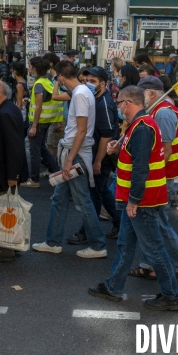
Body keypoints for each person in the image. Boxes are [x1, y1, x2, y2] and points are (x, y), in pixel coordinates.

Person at [88, 85, 178, 310]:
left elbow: (141, 167)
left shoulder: (141, 127)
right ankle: (113, 286)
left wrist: (134, 200)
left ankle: (171, 295)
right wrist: (116, 148)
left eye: (118, 103)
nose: (117, 107)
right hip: (141, 197)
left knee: (154, 248)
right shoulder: (141, 124)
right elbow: (134, 155)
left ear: (127, 104)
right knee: (125, 242)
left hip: (143, 199)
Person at [32, 60, 107, 258]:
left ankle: (98, 245)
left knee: (82, 202)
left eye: (57, 77)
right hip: (76, 152)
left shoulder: (80, 94)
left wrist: (69, 159)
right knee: (60, 199)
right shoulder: (82, 92)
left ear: (61, 77)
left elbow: (81, 130)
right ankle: (53, 241)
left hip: (76, 154)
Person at [137, 76, 178, 284]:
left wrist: (150, 174)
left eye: (141, 93)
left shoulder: (162, 113)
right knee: (150, 223)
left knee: (160, 225)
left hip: (165, 177)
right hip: (163, 176)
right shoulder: (157, 110)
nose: (138, 98)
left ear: (152, 93)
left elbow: (167, 150)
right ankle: (149, 265)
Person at [68, 66, 121, 244]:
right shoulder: (94, 98)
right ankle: (119, 221)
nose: (88, 84)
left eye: (93, 81)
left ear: (103, 84)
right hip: (95, 154)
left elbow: (107, 135)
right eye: (86, 80)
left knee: (94, 195)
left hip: (102, 156)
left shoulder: (104, 104)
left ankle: (87, 232)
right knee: (102, 190)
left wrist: (98, 161)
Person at [0, 80, 28, 262]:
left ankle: (5, 250)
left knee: (2, 210)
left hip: (4, 172)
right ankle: (11, 246)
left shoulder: (5, 113)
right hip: (6, 170)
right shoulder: (8, 109)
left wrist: (12, 176)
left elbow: (13, 146)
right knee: (9, 209)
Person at [21, 57, 63, 188]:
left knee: (35, 151)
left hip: (38, 123)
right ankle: (56, 170)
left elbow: (39, 106)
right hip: (47, 121)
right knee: (42, 148)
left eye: (29, 65)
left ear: (34, 68)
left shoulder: (39, 84)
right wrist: (57, 121)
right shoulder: (48, 81)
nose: (28, 67)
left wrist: (33, 126)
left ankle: (34, 180)